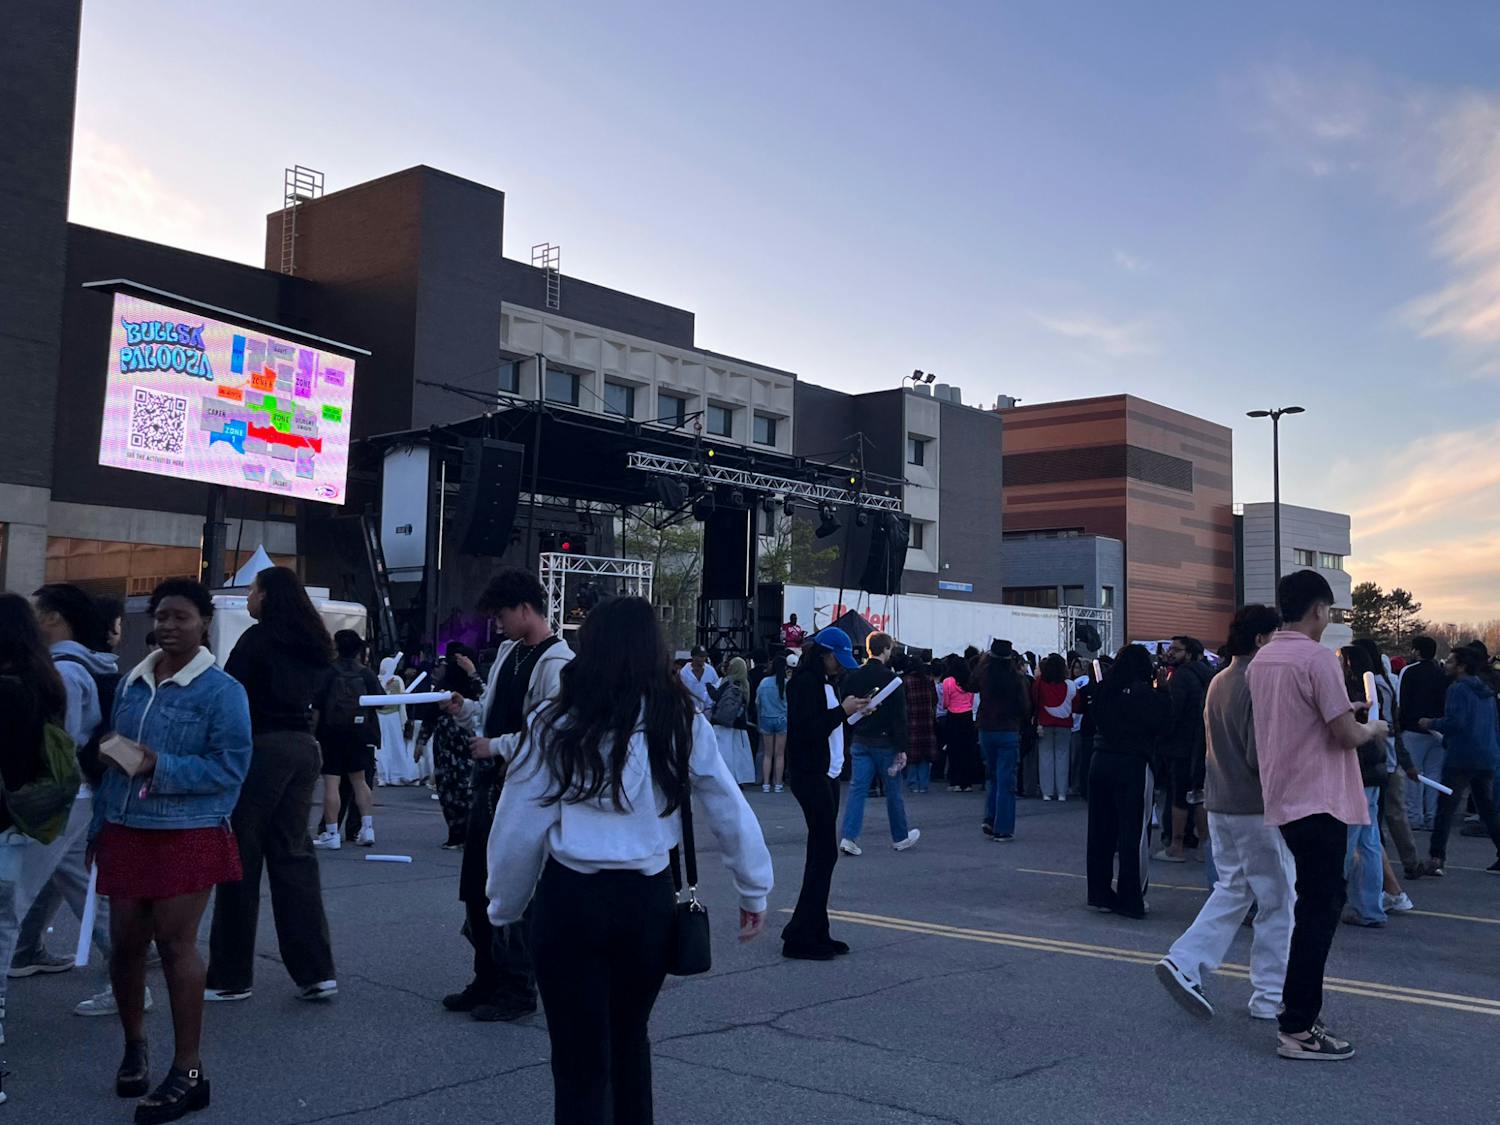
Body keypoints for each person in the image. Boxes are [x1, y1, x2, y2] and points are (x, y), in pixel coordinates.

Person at [486, 596, 771, 1125]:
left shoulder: (556, 721)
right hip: (647, 901)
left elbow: (517, 822)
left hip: (570, 897)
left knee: (578, 1059)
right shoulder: (678, 720)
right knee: (629, 1040)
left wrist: (503, 905)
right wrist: (752, 887)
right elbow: (727, 805)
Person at [90, 578, 253, 1122]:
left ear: (204, 622)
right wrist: (98, 828)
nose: (167, 626)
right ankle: (135, 1044)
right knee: (124, 945)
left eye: (181, 616)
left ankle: (189, 1071)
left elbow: (231, 770)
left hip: (187, 828)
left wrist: (158, 763)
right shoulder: (132, 684)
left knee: (176, 946)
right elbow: (113, 761)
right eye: (161, 616)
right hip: (124, 825)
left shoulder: (223, 692)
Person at [1247, 569, 1388, 1061]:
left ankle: (1297, 1015)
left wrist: (1343, 712)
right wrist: (1373, 728)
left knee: (1312, 903)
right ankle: (1298, 1026)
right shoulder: (1317, 659)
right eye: (1329, 611)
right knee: (1319, 910)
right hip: (1320, 798)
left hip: (1284, 795)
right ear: (1318, 610)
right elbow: (1346, 736)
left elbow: (1300, 718)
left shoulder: (1263, 659)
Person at [440, 568, 573, 1022]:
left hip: (524, 789)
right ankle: (487, 978)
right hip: (491, 783)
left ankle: (517, 988)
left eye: (501, 615)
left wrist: (495, 746)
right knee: (478, 885)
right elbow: (491, 715)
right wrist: (464, 712)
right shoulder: (510, 652)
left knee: (515, 885)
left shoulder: (558, 663)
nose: (497, 624)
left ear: (524, 609)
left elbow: (550, 735)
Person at [1154, 605, 1297, 1019]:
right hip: (1255, 805)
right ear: (1260, 640)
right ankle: (1270, 996)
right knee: (1278, 900)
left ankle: (1184, 960)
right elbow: (1261, 753)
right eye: (1275, 635)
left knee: (1234, 888)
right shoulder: (1259, 682)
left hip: (1220, 800)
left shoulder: (1219, 680)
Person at [207, 566, 338, 1004]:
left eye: (252, 590)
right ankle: (315, 971)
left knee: (239, 860)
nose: (247, 598)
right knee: (294, 856)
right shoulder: (313, 642)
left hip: (261, 749)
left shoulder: (257, 639)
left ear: (267, 595)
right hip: (304, 748)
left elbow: (230, 694)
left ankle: (230, 975)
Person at [7, 584, 122, 1019]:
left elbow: (59, 742)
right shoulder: (87, 665)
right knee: (85, 890)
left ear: (55, 618)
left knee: (12, 900)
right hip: (80, 797)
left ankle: (124, 980)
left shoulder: (65, 672)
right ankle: (124, 980)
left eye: (41, 613)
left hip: (59, 798)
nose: (36, 622)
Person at [0, 594, 73, 1066]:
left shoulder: (6, 690)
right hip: (24, 821)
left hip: (4, 817)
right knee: (5, 921)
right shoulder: (46, 683)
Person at [781, 627, 866, 960]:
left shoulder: (826, 683)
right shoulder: (803, 684)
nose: (839, 666)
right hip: (811, 774)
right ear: (822, 654)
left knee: (821, 855)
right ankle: (801, 935)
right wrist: (843, 712)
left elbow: (828, 728)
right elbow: (807, 731)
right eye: (836, 659)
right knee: (823, 854)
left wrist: (853, 713)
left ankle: (813, 929)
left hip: (826, 774)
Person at [1086, 645, 1172, 918]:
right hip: (1133, 762)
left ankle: (1099, 893)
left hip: (1100, 760)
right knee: (1133, 833)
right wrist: (1163, 690)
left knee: (1100, 831)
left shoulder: (1103, 689)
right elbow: (1164, 724)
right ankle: (1131, 896)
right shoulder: (1147, 694)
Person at [1420, 644, 1500, 875]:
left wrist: (1431, 723)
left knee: (1445, 809)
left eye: (1452, 661)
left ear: (1462, 666)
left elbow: (1456, 723)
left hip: (1461, 757)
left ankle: (1436, 857)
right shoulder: (1486, 690)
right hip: (1486, 755)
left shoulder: (1458, 689)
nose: (1447, 664)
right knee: (1487, 809)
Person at [837, 631, 917, 855]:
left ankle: (849, 837)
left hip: (860, 739)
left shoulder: (853, 676)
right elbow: (899, 717)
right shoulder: (892, 680)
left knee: (857, 790)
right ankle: (900, 837)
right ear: (885, 650)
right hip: (886, 742)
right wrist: (902, 748)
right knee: (893, 791)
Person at [1355, 637, 1421, 884]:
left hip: (1378, 754)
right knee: (1389, 814)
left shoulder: (1372, 685)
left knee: (1378, 816)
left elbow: (1386, 722)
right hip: (1389, 754)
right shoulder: (1387, 682)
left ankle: (1393, 870)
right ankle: (1408, 861)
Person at [312, 630, 383, 851]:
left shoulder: (327, 673)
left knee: (332, 784)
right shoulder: (367, 674)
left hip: (331, 734)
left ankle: (331, 833)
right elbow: (380, 703)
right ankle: (367, 828)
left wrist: (312, 734)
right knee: (360, 781)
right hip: (360, 734)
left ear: (336, 647)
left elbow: (316, 706)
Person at [422, 645, 484, 848]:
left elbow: (485, 700)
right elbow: (431, 713)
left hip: (466, 744)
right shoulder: (444, 684)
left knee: (465, 790)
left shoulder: (475, 682)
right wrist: (422, 740)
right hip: (445, 746)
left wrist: (472, 672)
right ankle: (455, 833)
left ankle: (467, 834)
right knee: (446, 790)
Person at [1159, 636, 1212, 860]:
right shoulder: (1209, 675)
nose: (1170, 653)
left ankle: (1176, 845)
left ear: (1188, 654)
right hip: (1203, 744)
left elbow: (1173, 712)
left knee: (1178, 794)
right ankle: (1204, 846)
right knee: (1199, 794)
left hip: (1181, 745)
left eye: (1176, 649)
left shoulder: (1181, 677)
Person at [977, 640, 1028, 841]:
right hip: (1008, 730)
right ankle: (1003, 828)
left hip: (986, 728)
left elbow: (970, 683)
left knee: (993, 776)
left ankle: (990, 818)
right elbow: (1024, 706)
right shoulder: (1016, 678)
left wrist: (983, 660)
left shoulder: (984, 675)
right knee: (1006, 779)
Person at [1398, 635, 1449, 830]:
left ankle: (1414, 817)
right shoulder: (1442, 673)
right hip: (1437, 731)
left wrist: (1401, 727)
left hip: (1413, 729)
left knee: (1413, 775)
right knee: (1434, 776)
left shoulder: (1409, 671)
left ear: (1417, 651)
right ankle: (1432, 817)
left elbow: (1402, 702)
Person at [1033, 654, 1076, 802]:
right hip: (1065, 724)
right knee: (1062, 756)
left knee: (1045, 756)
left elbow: (1035, 701)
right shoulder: (1070, 684)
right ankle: (1062, 792)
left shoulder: (1039, 683)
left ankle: (1047, 792)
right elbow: (1077, 705)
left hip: (1044, 723)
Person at [709, 657, 756, 784]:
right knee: (739, 752)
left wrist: (709, 687)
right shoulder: (746, 683)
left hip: (723, 721)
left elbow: (717, 697)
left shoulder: (727, 681)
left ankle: (725, 777)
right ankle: (740, 778)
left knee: (724, 751)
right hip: (739, 721)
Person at [374, 656, 419, 785]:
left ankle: (387, 776)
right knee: (393, 746)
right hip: (391, 717)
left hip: (384, 717)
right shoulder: (393, 680)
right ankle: (393, 775)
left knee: (386, 746)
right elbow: (402, 701)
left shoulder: (378, 680)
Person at [899, 654, 938, 795]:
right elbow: (935, 700)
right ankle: (924, 784)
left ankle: (913, 783)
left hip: (911, 721)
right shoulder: (929, 681)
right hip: (927, 722)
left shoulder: (905, 682)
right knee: (925, 755)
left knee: (912, 754)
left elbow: (902, 702)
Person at [940, 655, 979, 792]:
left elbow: (945, 702)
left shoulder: (948, 682)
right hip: (967, 716)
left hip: (953, 716)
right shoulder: (970, 681)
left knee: (954, 749)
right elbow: (971, 700)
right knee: (967, 749)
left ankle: (955, 782)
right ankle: (966, 783)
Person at [755, 655, 789, 793]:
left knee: (767, 753)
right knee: (779, 754)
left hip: (766, 718)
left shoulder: (764, 682)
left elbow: (757, 702)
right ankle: (778, 783)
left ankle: (766, 784)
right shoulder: (786, 683)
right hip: (782, 719)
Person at [679, 646, 719, 714]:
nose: (703, 658)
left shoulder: (711, 670)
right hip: (689, 710)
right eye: (700, 656)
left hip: (708, 710)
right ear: (693, 657)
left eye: (704, 656)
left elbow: (717, 687)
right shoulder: (684, 672)